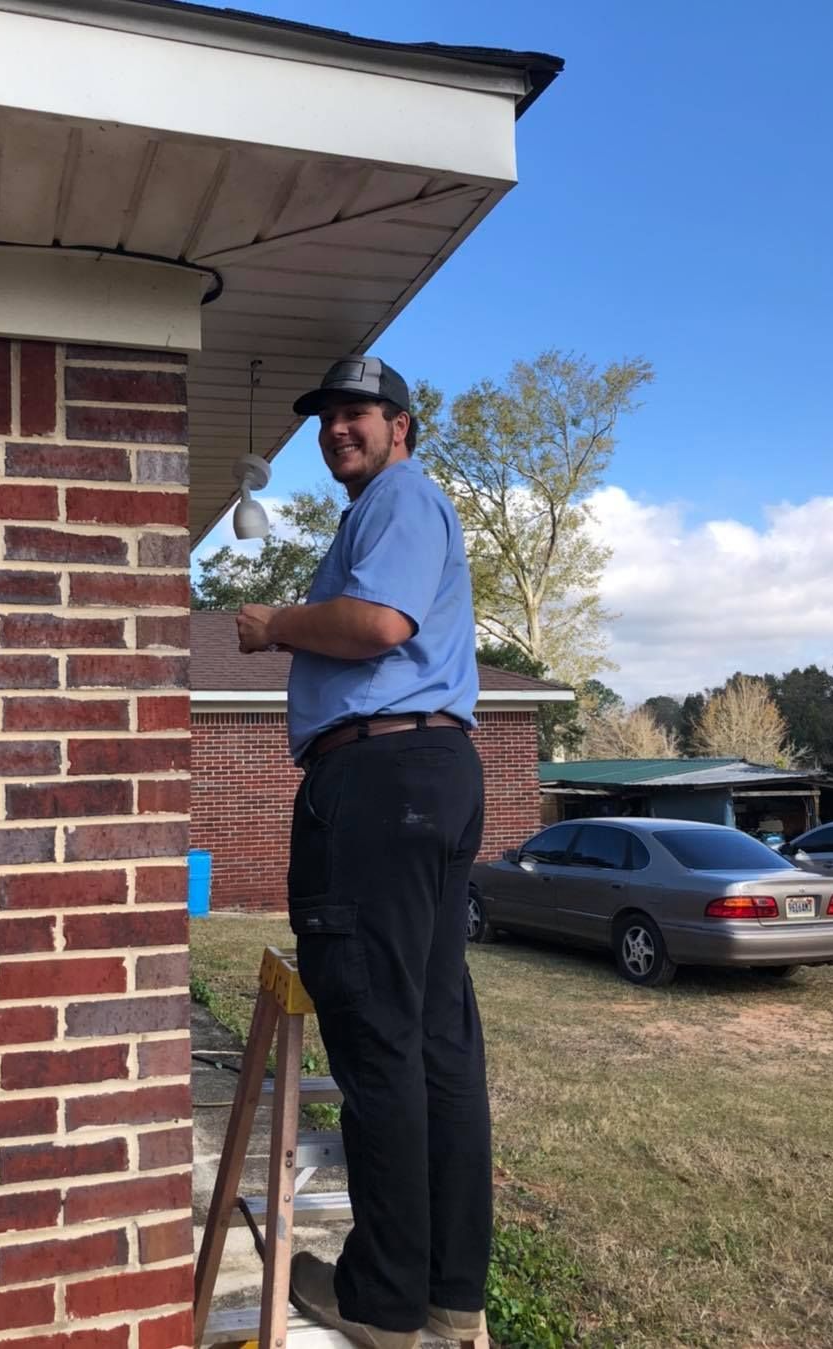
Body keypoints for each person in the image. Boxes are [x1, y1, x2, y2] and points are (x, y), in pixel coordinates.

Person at [236, 357, 492, 1349]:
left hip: (379, 783)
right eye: (328, 417)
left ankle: (382, 1299)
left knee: (382, 1040)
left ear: (402, 428)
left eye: (359, 413)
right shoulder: (388, 507)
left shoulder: (401, 498)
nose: (339, 428)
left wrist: (271, 626)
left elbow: (377, 622)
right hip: (426, 777)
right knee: (433, 1042)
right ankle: (445, 1290)